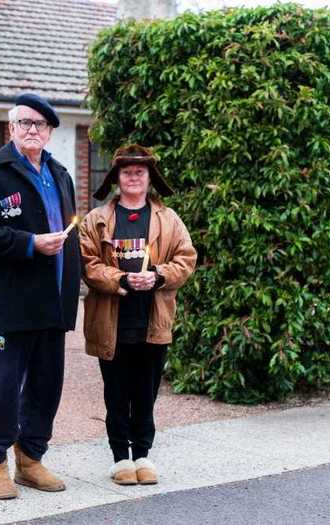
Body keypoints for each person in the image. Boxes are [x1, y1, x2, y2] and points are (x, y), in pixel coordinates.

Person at [0, 93, 81, 499]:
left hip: (54, 302)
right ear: (11, 128)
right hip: (12, 304)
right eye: (25, 123)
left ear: (48, 133)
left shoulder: (61, 174)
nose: (33, 130)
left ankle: (31, 460)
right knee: (1, 388)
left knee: (46, 387)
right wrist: (30, 243)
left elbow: (71, 232)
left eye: (41, 125)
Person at [79, 144, 196, 486]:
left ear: (149, 178)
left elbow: (186, 259)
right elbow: (88, 264)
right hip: (110, 322)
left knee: (146, 392)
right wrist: (120, 279)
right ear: (116, 177)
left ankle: (143, 454)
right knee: (115, 392)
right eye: (126, 171)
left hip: (152, 320)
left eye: (139, 171)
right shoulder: (96, 219)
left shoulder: (168, 219)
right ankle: (120, 459)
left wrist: (157, 275)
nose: (133, 176)